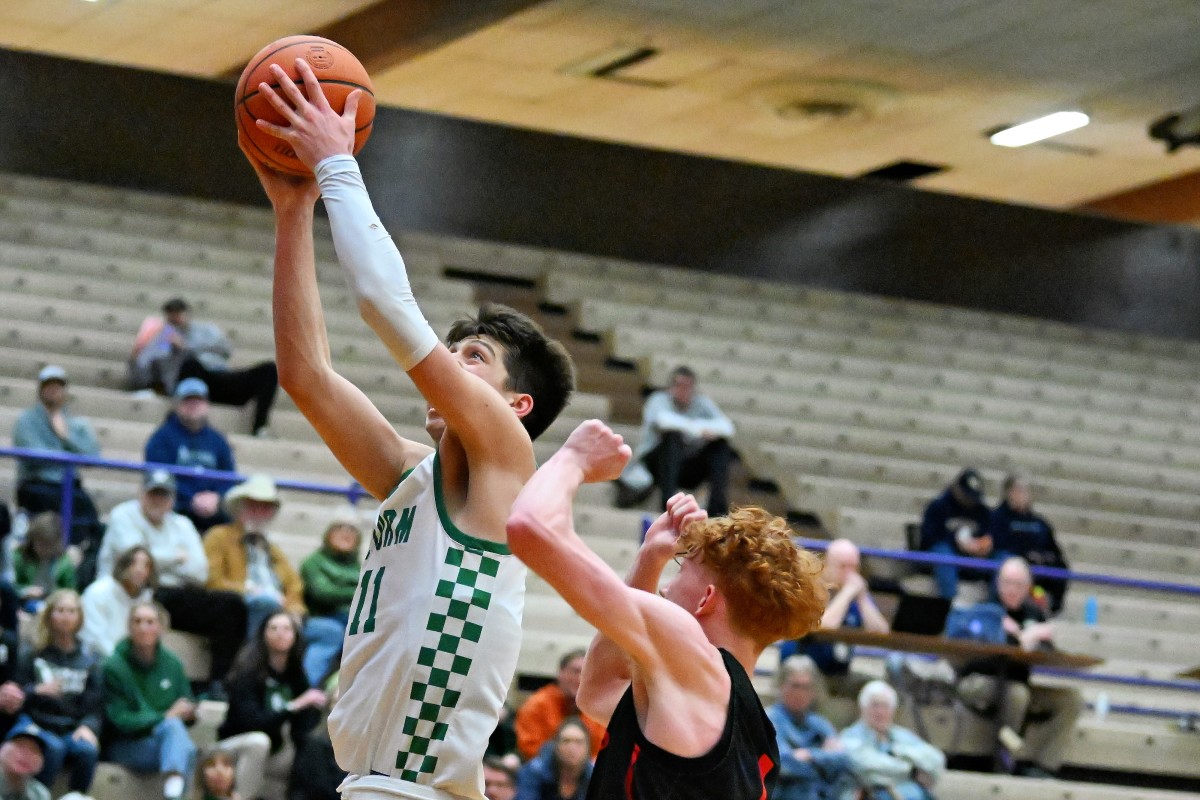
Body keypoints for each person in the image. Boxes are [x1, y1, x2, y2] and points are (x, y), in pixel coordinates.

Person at [242, 57, 575, 800]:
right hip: (368, 783)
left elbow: (387, 310)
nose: (452, 365)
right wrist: (293, 211)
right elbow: (305, 376)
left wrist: (335, 164)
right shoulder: (408, 475)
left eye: (475, 358)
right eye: (453, 351)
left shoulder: (505, 458)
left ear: (515, 405)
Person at [506, 421, 827, 800]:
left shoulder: (694, 655)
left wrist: (573, 460)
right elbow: (598, 691)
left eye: (679, 570)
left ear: (706, 600)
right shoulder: (757, 734)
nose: (666, 587)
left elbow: (530, 528)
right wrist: (650, 558)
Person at [97, 468, 247, 688]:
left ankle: (218, 683)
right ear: (141, 494)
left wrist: (157, 560)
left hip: (175, 593)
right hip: (133, 592)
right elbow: (135, 564)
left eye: (164, 495)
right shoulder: (123, 515)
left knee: (232, 605)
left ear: (173, 499)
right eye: (153, 494)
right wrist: (177, 558)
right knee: (157, 590)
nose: (158, 500)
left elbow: (200, 571)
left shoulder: (182, 524)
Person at [954, 557, 1083, 778]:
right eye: (1007, 583)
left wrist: (1041, 637)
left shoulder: (1033, 613)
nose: (1012, 590)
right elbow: (967, 651)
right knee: (1016, 695)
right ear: (997, 582)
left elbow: (1047, 652)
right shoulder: (984, 609)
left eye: (1019, 585)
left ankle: (1044, 766)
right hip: (977, 681)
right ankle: (1003, 763)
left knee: (1071, 699)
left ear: (1029, 587)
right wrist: (1007, 636)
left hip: (1017, 680)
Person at [129, 298, 279, 436]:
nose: (176, 317)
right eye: (171, 314)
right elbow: (145, 371)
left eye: (178, 312)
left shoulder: (206, 330)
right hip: (191, 384)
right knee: (190, 365)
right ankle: (183, 420)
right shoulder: (163, 339)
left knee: (269, 369)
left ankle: (260, 427)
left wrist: (187, 347)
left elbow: (225, 349)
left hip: (218, 377)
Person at [217, 612, 326, 800]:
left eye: (286, 629)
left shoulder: (296, 674)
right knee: (259, 742)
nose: (280, 633)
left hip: (274, 748)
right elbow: (254, 722)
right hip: (237, 743)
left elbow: (304, 723)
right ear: (263, 635)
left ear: (295, 636)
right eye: (273, 628)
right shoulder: (247, 673)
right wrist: (295, 705)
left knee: (310, 750)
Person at [101, 600, 197, 800]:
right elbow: (120, 720)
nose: (143, 628)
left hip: (164, 743)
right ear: (129, 627)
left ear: (161, 628)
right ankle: (174, 792)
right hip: (127, 745)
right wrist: (165, 717)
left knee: (184, 743)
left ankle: (174, 784)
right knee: (178, 736)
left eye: (150, 622)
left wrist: (190, 713)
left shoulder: (173, 664)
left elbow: (186, 702)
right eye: (137, 622)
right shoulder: (114, 666)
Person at [12, 589, 102, 795]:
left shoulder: (90, 661)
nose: (65, 617)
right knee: (54, 748)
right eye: (60, 610)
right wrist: (36, 690)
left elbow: (95, 706)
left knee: (87, 750)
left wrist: (88, 726)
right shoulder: (32, 654)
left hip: (70, 727)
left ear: (80, 618)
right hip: (36, 723)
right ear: (50, 615)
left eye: (71, 611)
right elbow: (15, 695)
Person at [790, 539, 888, 723]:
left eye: (854, 567)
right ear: (826, 564)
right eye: (843, 566)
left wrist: (863, 597)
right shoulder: (811, 588)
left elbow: (881, 632)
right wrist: (848, 593)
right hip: (806, 669)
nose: (849, 573)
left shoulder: (855, 596)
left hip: (840, 673)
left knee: (878, 688)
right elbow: (823, 627)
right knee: (815, 687)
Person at [616, 366, 735, 515]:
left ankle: (717, 511)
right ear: (670, 387)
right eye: (679, 385)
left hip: (686, 469)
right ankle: (668, 504)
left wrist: (693, 428)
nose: (683, 390)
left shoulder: (702, 403)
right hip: (655, 466)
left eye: (688, 386)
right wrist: (699, 429)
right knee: (672, 438)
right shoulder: (658, 400)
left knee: (720, 445)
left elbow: (727, 428)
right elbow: (664, 421)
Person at [12, 366, 103, 547]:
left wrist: (66, 437)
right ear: (40, 389)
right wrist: (67, 456)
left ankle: (74, 557)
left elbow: (93, 457)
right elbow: (33, 456)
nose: (53, 389)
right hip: (37, 486)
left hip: (69, 486)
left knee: (93, 522)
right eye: (48, 385)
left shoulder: (76, 425)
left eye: (58, 385)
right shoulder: (26, 421)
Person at [204, 474, 304, 639]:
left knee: (327, 631)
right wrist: (247, 590)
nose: (258, 512)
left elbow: (294, 585)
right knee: (264, 603)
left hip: (278, 610)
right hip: (240, 606)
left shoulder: (272, 549)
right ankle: (252, 659)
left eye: (265, 507)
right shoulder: (219, 537)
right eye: (252, 506)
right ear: (239, 508)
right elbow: (212, 580)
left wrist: (294, 609)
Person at [144, 378, 237, 533]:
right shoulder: (161, 438)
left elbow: (229, 477)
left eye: (198, 400)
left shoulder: (218, 441)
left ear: (207, 404)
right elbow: (157, 475)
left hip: (213, 510)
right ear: (177, 405)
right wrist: (191, 498)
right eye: (187, 401)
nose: (193, 405)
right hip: (175, 506)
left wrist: (216, 497)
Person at [766, 656, 852, 800]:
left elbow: (842, 759)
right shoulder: (769, 720)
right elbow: (782, 764)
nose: (800, 693)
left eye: (806, 687)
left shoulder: (820, 724)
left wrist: (809, 755)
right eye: (795, 686)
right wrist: (823, 761)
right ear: (781, 686)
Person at [840, 681, 944, 800]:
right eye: (875, 705)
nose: (880, 712)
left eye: (885, 706)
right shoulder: (850, 736)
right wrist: (912, 771)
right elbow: (866, 768)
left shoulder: (901, 735)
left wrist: (901, 753)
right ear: (863, 708)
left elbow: (936, 761)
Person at [988, 474, 1069, 614]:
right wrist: (1024, 556)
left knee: (1059, 566)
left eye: (1025, 490)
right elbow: (998, 544)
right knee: (1009, 565)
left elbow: (1053, 548)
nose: (1021, 495)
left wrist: (1046, 557)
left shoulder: (1039, 523)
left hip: (1037, 566)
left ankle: (1051, 607)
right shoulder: (997, 518)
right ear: (1008, 492)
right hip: (1014, 562)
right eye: (1017, 490)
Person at [298, 513, 362, 687]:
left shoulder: (359, 566)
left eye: (351, 530)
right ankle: (306, 686)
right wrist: (357, 589)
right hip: (318, 618)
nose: (345, 534)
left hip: (351, 620)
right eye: (339, 529)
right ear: (328, 534)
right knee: (331, 632)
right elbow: (323, 593)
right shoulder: (314, 562)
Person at [514, 650, 605, 761]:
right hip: (544, 769)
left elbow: (603, 750)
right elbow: (528, 748)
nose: (580, 678)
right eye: (575, 671)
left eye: (587, 672)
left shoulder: (599, 710)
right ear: (560, 673)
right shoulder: (537, 705)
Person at [918, 469, 992, 601]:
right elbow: (928, 538)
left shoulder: (982, 512)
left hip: (973, 556)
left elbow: (990, 534)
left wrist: (982, 545)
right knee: (943, 554)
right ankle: (950, 602)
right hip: (945, 554)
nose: (970, 500)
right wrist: (956, 542)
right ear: (957, 489)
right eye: (966, 495)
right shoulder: (938, 507)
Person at [79, 546, 156, 659]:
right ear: (123, 566)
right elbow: (95, 639)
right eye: (134, 563)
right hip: (98, 660)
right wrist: (120, 664)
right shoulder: (98, 592)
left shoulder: (146, 598)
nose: (140, 570)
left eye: (146, 565)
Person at [10, 513, 75, 614]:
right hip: (23, 604)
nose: (45, 549)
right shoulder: (20, 557)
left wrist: (55, 596)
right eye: (40, 544)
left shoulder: (65, 563)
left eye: (49, 545)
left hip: (54, 607)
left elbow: (71, 593)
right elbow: (9, 586)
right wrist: (25, 591)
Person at [514, 718, 592, 800]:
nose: (572, 748)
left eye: (579, 742)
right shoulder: (534, 771)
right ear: (556, 746)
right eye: (566, 741)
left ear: (588, 748)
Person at [0, 719, 53, 800]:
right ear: (2, 749)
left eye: (34, 750)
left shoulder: (39, 794)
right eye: (20, 746)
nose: (26, 755)